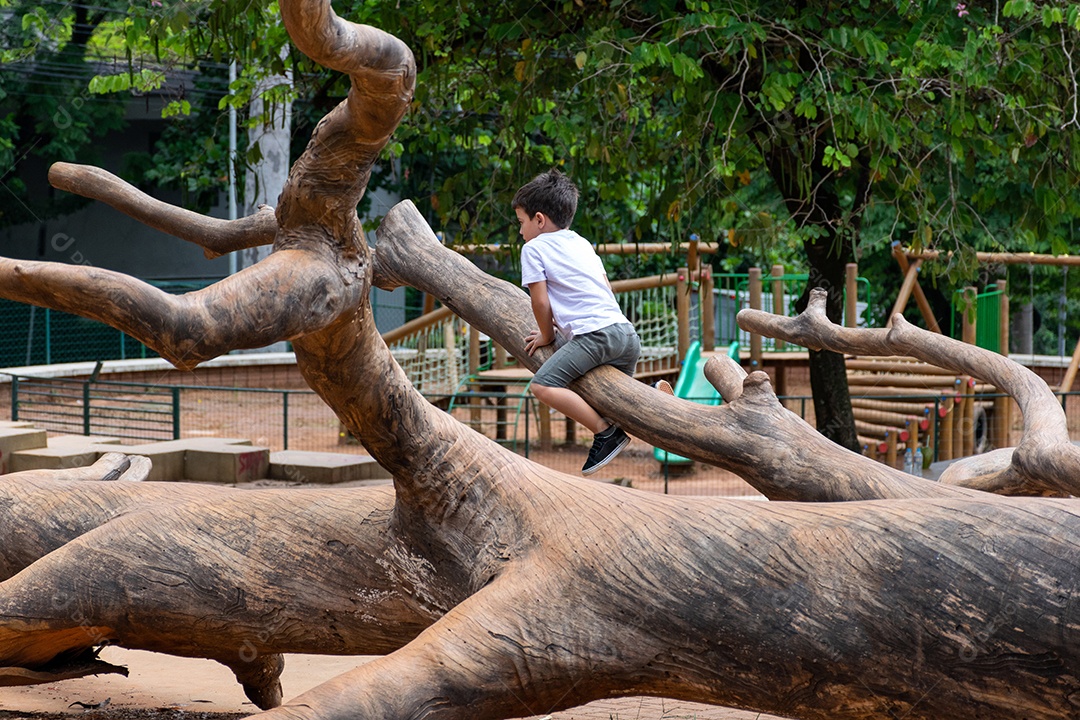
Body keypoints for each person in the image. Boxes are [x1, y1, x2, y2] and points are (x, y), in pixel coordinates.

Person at [514, 168, 641, 475]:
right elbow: (605, 289)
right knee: (610, 397)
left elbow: (540, 300)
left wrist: (546, 334)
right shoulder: (582, 243)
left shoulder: (533, 248)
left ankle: (605, 434)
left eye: (522, 223)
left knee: (543, 386)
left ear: (539, 219)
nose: (520, 232)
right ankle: (649, 394)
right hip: (626, 336)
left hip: (594, 336)